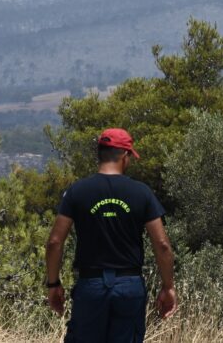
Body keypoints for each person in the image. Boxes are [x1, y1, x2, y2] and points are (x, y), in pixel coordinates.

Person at [45, 128, 177, 342]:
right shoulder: (141, 192)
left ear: (100, 153)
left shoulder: (78, 191)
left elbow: (54, 242)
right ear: (125, 156)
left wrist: (53, 284)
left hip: (91, 286)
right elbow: (162, 245)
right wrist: (168, 286)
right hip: (129, 286)